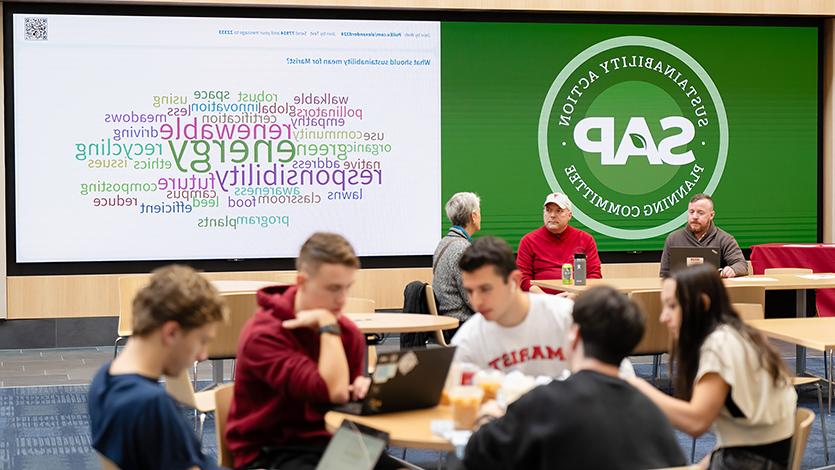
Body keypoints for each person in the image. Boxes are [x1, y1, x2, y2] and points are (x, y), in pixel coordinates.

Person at [457, 286, 687, 470]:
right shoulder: (654, 415)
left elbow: (476, 454)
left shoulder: (545, 403)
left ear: (574, 336)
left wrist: (487, 418)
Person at [226, 232, 401, 470]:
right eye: (333, 289)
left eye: (347, 288)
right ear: (302, 283)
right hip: (272, 451)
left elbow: (340, 399)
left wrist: (360, 392)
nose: (342, 299)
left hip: (333, 440)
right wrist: (327, 326)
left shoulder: (346, 333)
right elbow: (332, 392)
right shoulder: (265, 334)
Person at [629, 264, 797, 469]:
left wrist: (637, 387)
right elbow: (734, 436)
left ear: (702, 304)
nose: (663, 317)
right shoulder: (735, 334)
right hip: (760, 456)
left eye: (672, 306)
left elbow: (696, 422)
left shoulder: (719, 345)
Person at [89, 265, 227, 470]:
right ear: (171, 332)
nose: (203, 355)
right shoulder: (151, 406)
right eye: (202, 340)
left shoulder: (103, 380)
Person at [451, 236, 631, 378]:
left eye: (485, 289)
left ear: (514, 281)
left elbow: (620, 374)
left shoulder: (566, 316)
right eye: (470, 291)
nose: (476, 302)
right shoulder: (468, 340)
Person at [516, 192, 601, 294]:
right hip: (541, 300)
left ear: (569, 215)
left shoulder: (585, 239)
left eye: (559, 211)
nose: (552, 215)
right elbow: (523, 278)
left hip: (577, 299)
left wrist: (574, 295)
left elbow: (594, 275)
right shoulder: (528, 241)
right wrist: (547, 299)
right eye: (548, 210)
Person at [659, 193, 748, 278]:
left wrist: (732, 269)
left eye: (700, 213)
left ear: (711, 215)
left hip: (713, 290)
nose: (694, 216)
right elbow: (664, 273)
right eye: (691, 212)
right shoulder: (673, 238)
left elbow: (741, 265)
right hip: (682, 291)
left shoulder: (724, 239)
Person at [433, 192, 481, 329]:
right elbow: (471, 298)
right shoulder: (463, 249)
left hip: (447, 320)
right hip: (462, 323)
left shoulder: (443, 242)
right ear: (473, 216)